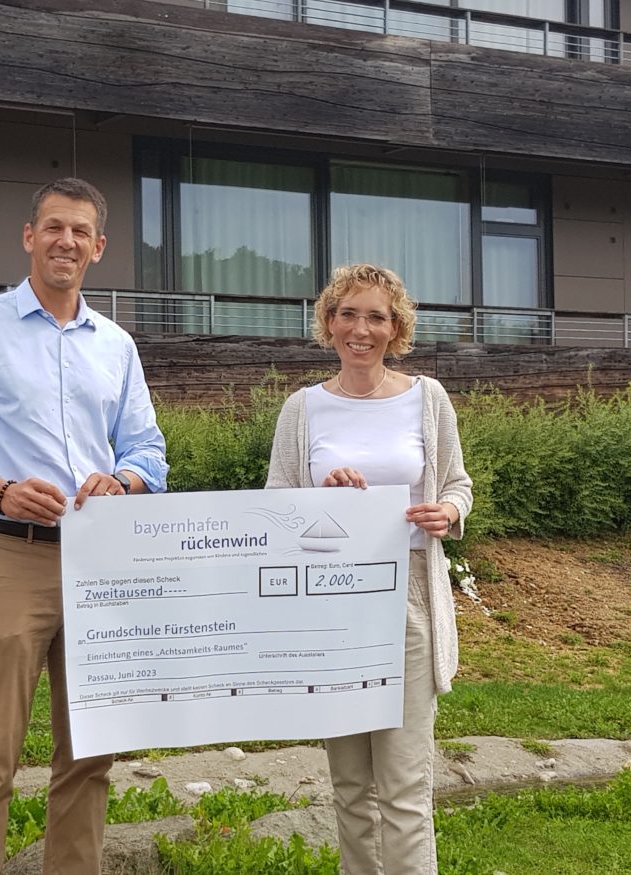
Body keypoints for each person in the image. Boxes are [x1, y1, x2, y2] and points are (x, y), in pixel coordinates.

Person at [0, 177, 168, 875]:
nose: (66, 241)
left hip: (99, 564)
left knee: (90, 755)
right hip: (10, 559)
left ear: (99, 247)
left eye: (81, 231)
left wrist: (123, 480)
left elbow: (149, 452)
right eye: (54, 226)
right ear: (29, 235)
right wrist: (1, 490)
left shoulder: (117, 345)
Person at [264, 263, 472, 875]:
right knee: (351, 784)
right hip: (331, 603)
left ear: (396, 328)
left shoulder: (427, 398)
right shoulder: (303, 408)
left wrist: (447, 512)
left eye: (376, 317)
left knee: (404, 782)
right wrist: (321, 497)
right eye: (348, 314)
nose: (361, 329)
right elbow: (274, 504)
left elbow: (458, 485)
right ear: (329, 323)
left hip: (407, 595)